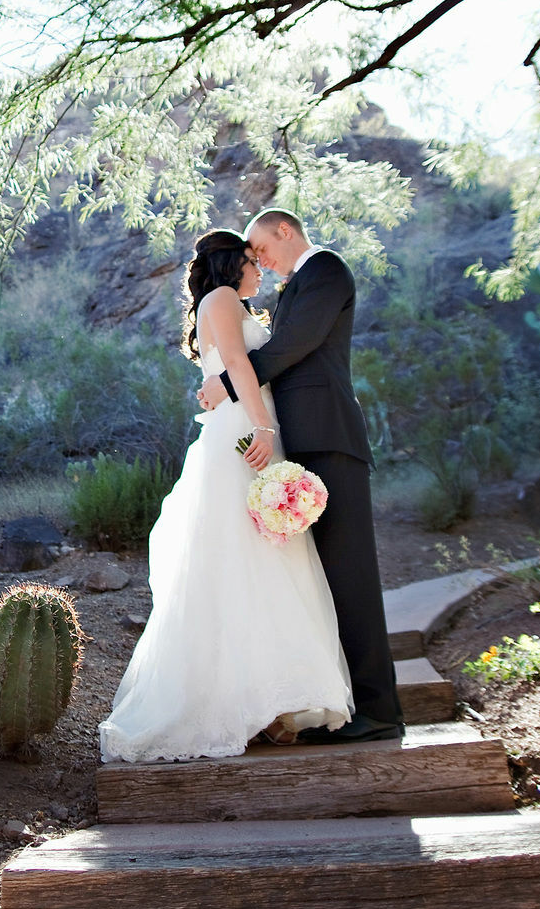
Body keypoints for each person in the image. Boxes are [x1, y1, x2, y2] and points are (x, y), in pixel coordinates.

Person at [98, 229, 353, 762]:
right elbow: (238, 366)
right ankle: (238, 704)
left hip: (248, 428)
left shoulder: (235, 305)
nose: (260, 268)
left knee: (266, 562)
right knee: (243, 561)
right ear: (232, 264)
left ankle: (274, 702)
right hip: (243, 436)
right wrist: (263, 431)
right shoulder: (221, 299)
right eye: (252, 261)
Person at [198, 208, 403, 742]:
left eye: (260, 247)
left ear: (283, 231)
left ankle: (380, 711)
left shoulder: (326, 270)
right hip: (295, 441)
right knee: (319, 576)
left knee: (351, 572)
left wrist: (226, 381)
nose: (258, 259)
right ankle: (339, 700)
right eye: (249, 255)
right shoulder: (290, 288)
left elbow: (295, 344)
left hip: (328, 437)